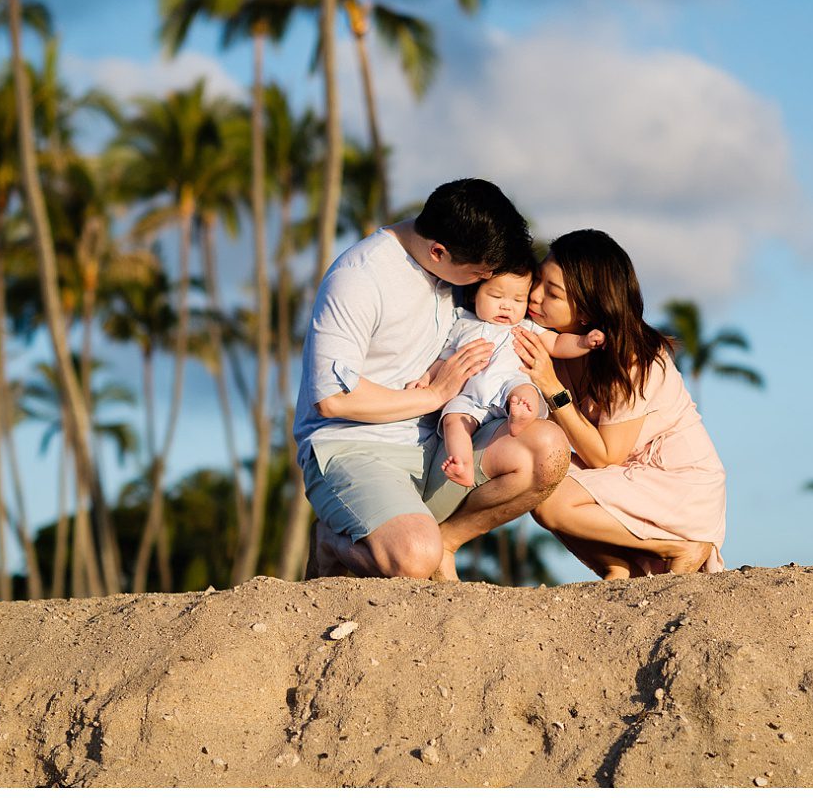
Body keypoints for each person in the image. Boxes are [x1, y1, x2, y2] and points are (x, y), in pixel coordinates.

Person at [294, 178, 572, 581]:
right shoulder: (359, 277)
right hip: (355, 449)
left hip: (437, 445)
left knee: (546, 452)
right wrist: (437, 394)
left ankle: (443, 542)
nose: (486, 281)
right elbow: (334, 398)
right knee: (412, 557)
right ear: (438, 252)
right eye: (479, 272)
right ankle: (331, 544)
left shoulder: (454, 261)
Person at [514, 229, 726, 578]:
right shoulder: (556, 344)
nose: (534, 296)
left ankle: (679, 545)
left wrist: (550, 385)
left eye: (551, 293)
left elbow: (604, 456)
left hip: (679, 484)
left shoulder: (631, 355)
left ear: (586, 311)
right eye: (538, 281)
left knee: (551, 500)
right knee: (534, 478)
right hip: (622, 477)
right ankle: (618, 571)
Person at [415, 252, 606, 489]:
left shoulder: (526, 326)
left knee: (525, 392)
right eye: (496, 296)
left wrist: (584, 342)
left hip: (510, 385)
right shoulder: (463, 323)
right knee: (453, 420)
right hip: (470, 397)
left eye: (518, 300)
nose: (506, 305)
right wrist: (427, 379)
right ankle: (461, 463)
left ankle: (520, 418)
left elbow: (557, 344)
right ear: (475, 295)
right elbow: (444, 359)